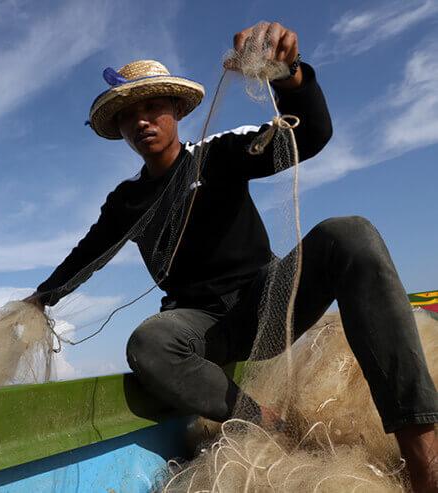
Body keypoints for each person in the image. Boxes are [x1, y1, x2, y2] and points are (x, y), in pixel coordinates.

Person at [25, 22, 437, 491]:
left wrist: (288, 74)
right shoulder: (125, 203)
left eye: (153, 106)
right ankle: (263, 420)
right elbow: (87, 255)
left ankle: (422, 457)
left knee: (350, 234)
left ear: (177, 110)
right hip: (203, 325)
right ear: (119, 129)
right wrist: (40, 299)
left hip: (269, 300)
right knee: (150, 342)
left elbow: (313, 133)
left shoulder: (219, 153)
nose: (142, 121)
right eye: (128, 114)